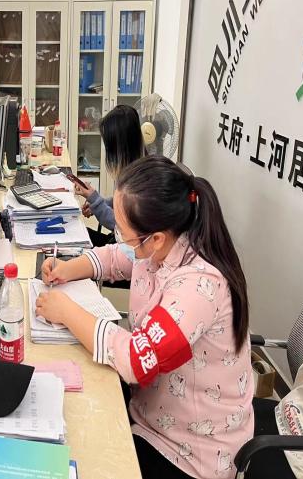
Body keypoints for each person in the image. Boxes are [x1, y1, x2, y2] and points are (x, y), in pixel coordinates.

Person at [36, 156, 253, 479]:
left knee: (81, 454)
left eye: (124, 232)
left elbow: (137, 361)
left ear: (156, 238)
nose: (121, 238)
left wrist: (67, 311)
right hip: (150, 412)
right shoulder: (160, 247)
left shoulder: (199, 285)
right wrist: (69, 268)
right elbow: (115, 257)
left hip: (191, 452)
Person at [75, 104, 144, 247]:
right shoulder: (133, 166)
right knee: (77, 232)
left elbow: (120, 226)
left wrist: (96, 201)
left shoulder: (141, 179)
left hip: (125, 247)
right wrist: (99, 203)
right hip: (119, 242)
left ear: (120, 145)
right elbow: (122, 203)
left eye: (109, 146)